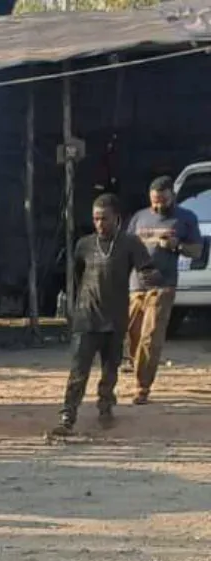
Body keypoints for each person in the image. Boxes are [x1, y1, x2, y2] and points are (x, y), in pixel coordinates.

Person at [53, 195, 155, 437]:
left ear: (116, 218)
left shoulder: (130, 243)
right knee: (78, 370)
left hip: (116, 319)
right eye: (96, 219)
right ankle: (68, 416)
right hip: (87, 318)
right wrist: (77, 308)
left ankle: (105, 407)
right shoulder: (84, 245)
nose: (100, 224)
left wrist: (152, 279)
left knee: (110, 370)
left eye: (104, 219)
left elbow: (146, 268)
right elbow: (78, 276)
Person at [125, 177, 204, 404]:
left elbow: (196, 251)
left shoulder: (185, 218)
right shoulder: (139, 217)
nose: (158, 205)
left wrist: (176, 245)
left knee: (150, 336)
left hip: (163, 285)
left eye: (163, 200)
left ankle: (142, 387)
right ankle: (137, 366)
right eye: (154, 201)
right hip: (136, 285)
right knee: (132, 335)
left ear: (172, 196)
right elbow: (126, 248)